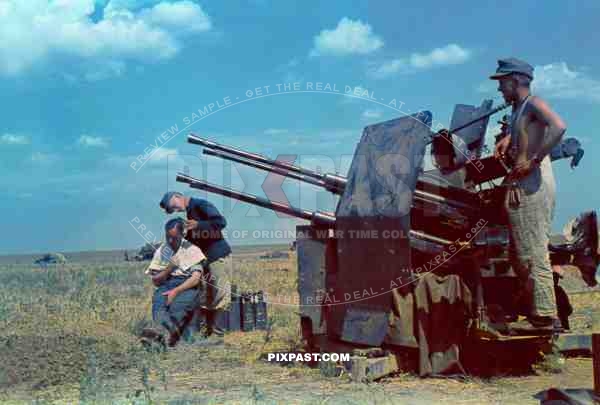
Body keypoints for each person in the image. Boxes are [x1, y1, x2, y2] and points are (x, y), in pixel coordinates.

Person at [490, 57, 567, 333]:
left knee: (533, 251)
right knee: (521, 252)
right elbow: (527, 131)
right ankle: (539, 315)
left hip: (533, 180)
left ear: (516, 80)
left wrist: (534, 159)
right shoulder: (519, 109)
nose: (500, 88)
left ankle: (546, 318)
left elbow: (559, 126)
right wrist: (509, 138)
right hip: (522, 183)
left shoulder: (534, 102)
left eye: (502, 82)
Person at [160, 191, 232, 343]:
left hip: (217, 256)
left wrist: (199, 224)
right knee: (207, 295)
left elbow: (221, 222)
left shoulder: (200, 205)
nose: (174, 210)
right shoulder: (190, 212)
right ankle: (208, 331)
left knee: (220, 294)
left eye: (173, 206)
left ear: (177, 196)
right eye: (171, 210)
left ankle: (218, 335)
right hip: (205, 260)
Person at [144, 217, 208, 347]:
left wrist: (176, 291)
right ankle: (162, 333)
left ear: (182, 234)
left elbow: (195, 279)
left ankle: (163, 336)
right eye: (168, 237)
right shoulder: (161, 251)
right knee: (159, 305)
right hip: (167, 283)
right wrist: (169, 269)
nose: (171, 241)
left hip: (187, 286)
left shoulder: (192, 250)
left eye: (174, 238)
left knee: (177, 307)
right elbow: (155, 281)